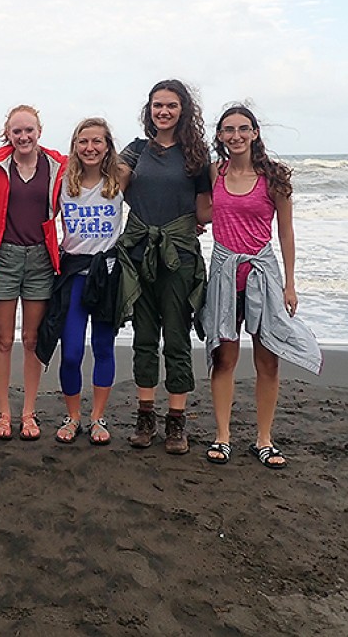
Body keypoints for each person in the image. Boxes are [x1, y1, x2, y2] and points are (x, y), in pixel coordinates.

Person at [201, 104, 322, 468]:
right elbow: (204, 212)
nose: (235, 135)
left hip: (262, 272)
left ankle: (263, 439)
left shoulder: (275, 177)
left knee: (268, 359)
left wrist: (290, 283)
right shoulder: (213, 173)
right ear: (220, 136)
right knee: (224, 357)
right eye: (228, 130)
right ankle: (222, 437)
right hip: (224, 271)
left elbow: (285, 231)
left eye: (243, 128)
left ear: (254, 132)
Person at [116, 79, 212, 454]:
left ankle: (176, 422)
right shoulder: (136, 151)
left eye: (171, 105)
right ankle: (144, 416)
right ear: (149, 110)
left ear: (183, 110)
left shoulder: (196, 156)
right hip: (138, 254)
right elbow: (113, 178)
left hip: (179, 257)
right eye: (157, 105)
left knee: (176, 338)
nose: (164, 111)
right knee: (142, 339)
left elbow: (206, 207)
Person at [36, 118, 129, 444]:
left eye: (97, 142)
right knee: (72, 351)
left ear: (107, 146)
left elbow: (160, 183)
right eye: (83, 141)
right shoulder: (63, 179)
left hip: (107, 274)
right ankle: (73, 416)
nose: (90, 148)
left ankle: (98, 418)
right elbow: (29, 152)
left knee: (103, 347)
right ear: (75, 146)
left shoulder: (120, 178)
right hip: (73, 274)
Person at [0, 105, 66, 441]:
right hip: (3, 255)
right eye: (17, 131)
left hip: (42, 257)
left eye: (29, 130)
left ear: (39, 131)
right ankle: (4, 413)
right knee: (3, 340)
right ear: (8, 134)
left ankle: (29, 412)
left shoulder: (58, 164)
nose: (23, 137)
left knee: (31, 340)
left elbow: (97, 168)